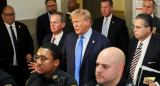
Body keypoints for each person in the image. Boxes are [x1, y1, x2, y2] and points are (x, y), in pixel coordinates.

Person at [60, 9, 111, 86]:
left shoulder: (102, 41)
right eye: (73, 22)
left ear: (87, 22)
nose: (74, 25)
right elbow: (63, 62)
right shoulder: (69, 38)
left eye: (77, 21)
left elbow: (106, 69)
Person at [0, 5, 34, 86]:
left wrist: (30, 53)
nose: (11, 17)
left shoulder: (22, 27)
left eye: (13, 14)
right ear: (2, 15)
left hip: (22, 67)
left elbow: (30, 42)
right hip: (5, 68)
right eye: (8, 15)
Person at [125, 13, 160, 86]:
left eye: (138, 27)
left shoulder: (158, 45)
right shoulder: (132, 42)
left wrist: (157, 83)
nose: (134, 30)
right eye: (134, 27)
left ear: (148, 29)